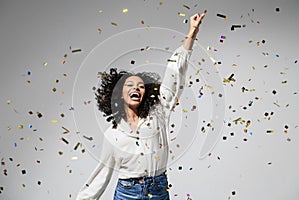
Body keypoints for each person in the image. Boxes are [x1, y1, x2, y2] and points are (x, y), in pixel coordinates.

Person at [76, 12, 206, 200]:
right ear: (119, 95)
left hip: (158, 189)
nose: (136, 87)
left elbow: (174, 74)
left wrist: (192, 33)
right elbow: (101, 175)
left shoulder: (158, 113)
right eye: (129, 85)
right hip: (127, 192)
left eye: (140, 86)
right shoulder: (113, 135)